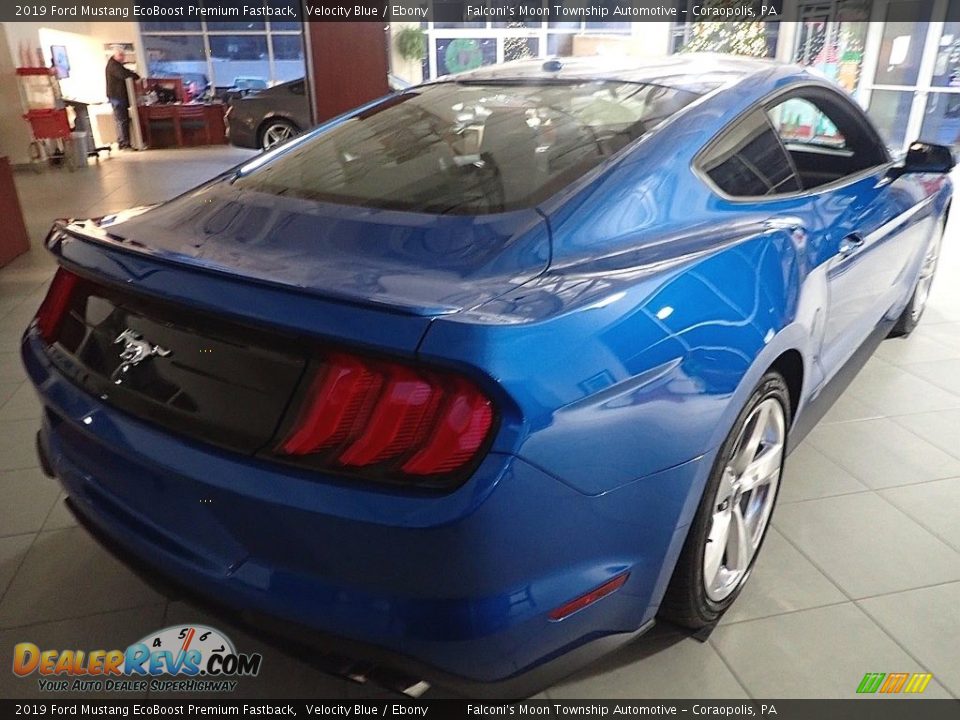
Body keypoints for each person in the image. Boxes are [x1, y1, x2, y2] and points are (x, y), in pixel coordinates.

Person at [105, 45, 140, 149]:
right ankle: (124, 143)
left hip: (118, 96)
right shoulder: (114, 66)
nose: (123, 57)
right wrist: (135, 76)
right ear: (116, 55)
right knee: (121, 120)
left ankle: (124, 142)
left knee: (121, 120)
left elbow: (126, 73)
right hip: (117, 97)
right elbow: (124, 75)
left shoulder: (116, 65)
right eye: (121, 55)